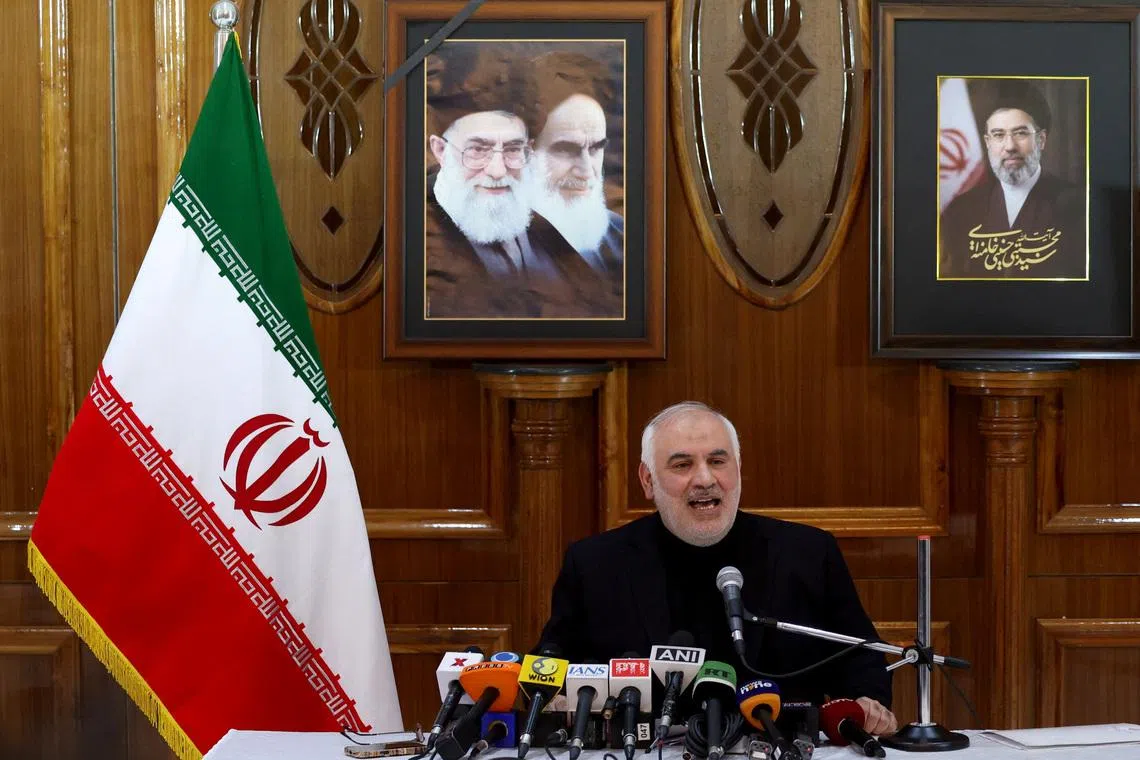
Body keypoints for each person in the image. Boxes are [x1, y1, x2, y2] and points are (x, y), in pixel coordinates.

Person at [536, 401, 898, 736]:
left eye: (718, 461)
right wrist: (555, 702)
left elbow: (859, 656)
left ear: (738, 469)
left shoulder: (807, 553)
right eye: (682, 465)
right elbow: (551, 668)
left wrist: (867, 701)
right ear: (647, 480)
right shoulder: (595, 564)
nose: (705, 479)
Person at [425, 110, 612, 318]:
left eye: (513, 149)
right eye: (477, 150)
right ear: (440, 150)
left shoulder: (545, 218)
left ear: (528, 151)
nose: (497, 171)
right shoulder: (410, 232)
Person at [939, 82, 1085, 279]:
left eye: (1020, 133)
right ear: (988, 142)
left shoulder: (1078, 207)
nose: (1009, 146)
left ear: (1041, 140)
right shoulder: (960, 211)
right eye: (998, 135)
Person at [525, 93, 624, 300]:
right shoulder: (500, 250)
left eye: (595, 148)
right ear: (526, 153)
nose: (586, 171)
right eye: (567, 150)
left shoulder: (621, 235)